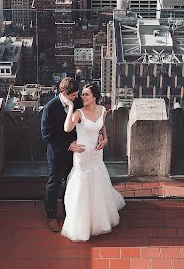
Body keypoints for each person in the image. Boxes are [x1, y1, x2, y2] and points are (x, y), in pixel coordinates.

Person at [61, 83, 125, 242]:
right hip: (82, 153)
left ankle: (99, 218)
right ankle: (82, 222)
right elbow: (67, 129)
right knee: (82, 183)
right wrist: (70, 107)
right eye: (82, 94)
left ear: (94, 96)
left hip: (97, 152)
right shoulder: (78, 113)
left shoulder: (102, 110)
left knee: (98, 181)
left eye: (86, 94)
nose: (83, 97)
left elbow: (102, 126)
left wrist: (106, 138)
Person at [40, 77, 84, 233]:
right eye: (73, 95)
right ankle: (52, 215)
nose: (77, 97)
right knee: (54, 184)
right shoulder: (50, 108)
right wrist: (68, 145)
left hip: (74, 154)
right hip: (57, 154)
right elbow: (46, 135)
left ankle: (69, 212)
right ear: (64, 94)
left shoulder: (78, 102)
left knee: (70, 182)